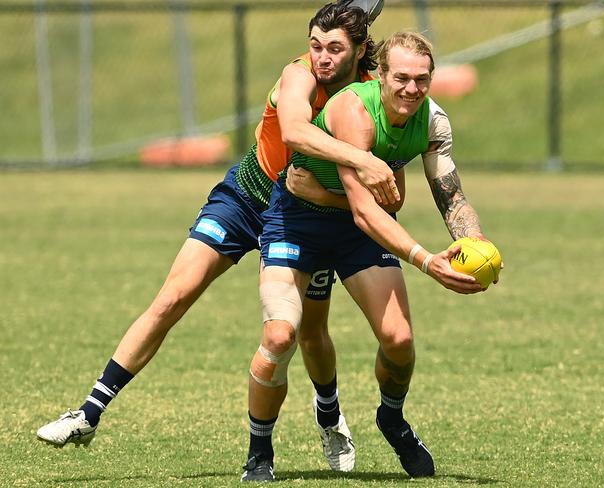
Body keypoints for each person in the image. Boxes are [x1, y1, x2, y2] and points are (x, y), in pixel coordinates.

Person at [36, 1, 393, 474]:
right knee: (173, 297)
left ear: (359, 49)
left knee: (307, 330)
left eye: (334, 48)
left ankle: (329, 417)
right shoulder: (299, 74)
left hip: (305, 218)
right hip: (245, 199)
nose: (321, 57)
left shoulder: (369, 94)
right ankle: (88, 411)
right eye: (314, 45)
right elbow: (293, 129)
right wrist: (362, 160)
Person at [244, 30, 498, 481]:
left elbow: (452, 197)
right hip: (298, 218)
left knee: (399, 341)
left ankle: (392, 417)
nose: (411, 89)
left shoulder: (434, 122)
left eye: (422, 79)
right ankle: (259, 452)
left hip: (354, 228)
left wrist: (474, 243)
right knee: (281, 335)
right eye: (401, 77)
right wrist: (426, 261)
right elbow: (365, 211)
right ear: (380, 75)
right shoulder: (353, 110)